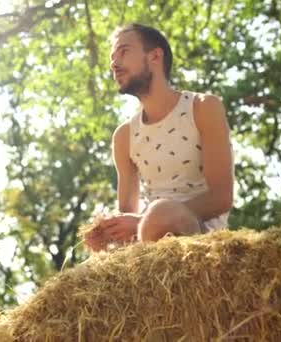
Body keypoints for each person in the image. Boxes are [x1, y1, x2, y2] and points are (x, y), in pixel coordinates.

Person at [84, 23, 234, 252]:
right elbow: (128, 219)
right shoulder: (124, 137)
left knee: (162, 213)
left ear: (155, 56)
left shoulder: (203, 108)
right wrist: (109, 232)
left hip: (203, 242)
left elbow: (222, 197)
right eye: (112, 57)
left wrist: (146, 220)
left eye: (124, 52)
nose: (114, 64)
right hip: (150, 247)